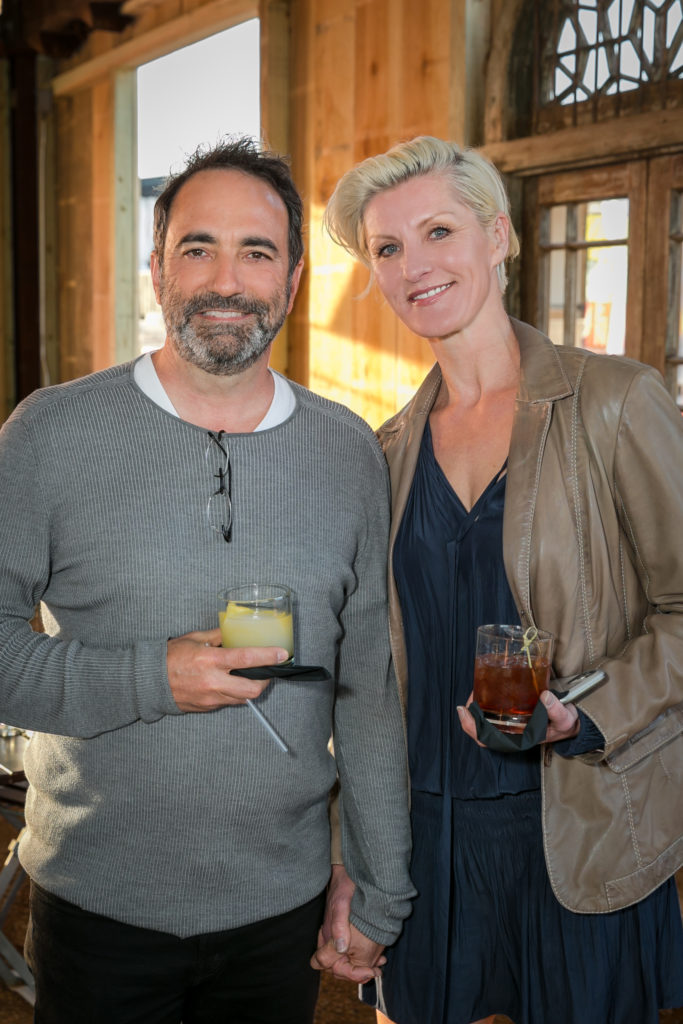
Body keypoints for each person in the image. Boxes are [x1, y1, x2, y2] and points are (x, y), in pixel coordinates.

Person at [0, 137, 415, 1024]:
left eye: (256, 252)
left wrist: (377, 883)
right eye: (198, 248)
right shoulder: (48, 434)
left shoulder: (348, 452)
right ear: (157, 270)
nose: (226, 279)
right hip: (93, 908)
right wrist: (153, 676)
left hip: (280, 910)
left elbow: (368, 692)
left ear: (293, 281)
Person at [313, 136, 683, 1024]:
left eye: (437, 231)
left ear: (498, 238)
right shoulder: (384, 452)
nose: (413, 267)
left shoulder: (613, 402)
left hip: (581, 822)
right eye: (387, 250)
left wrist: (582, 707)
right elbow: (367, 679)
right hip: (425, 838)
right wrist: (351, 858)